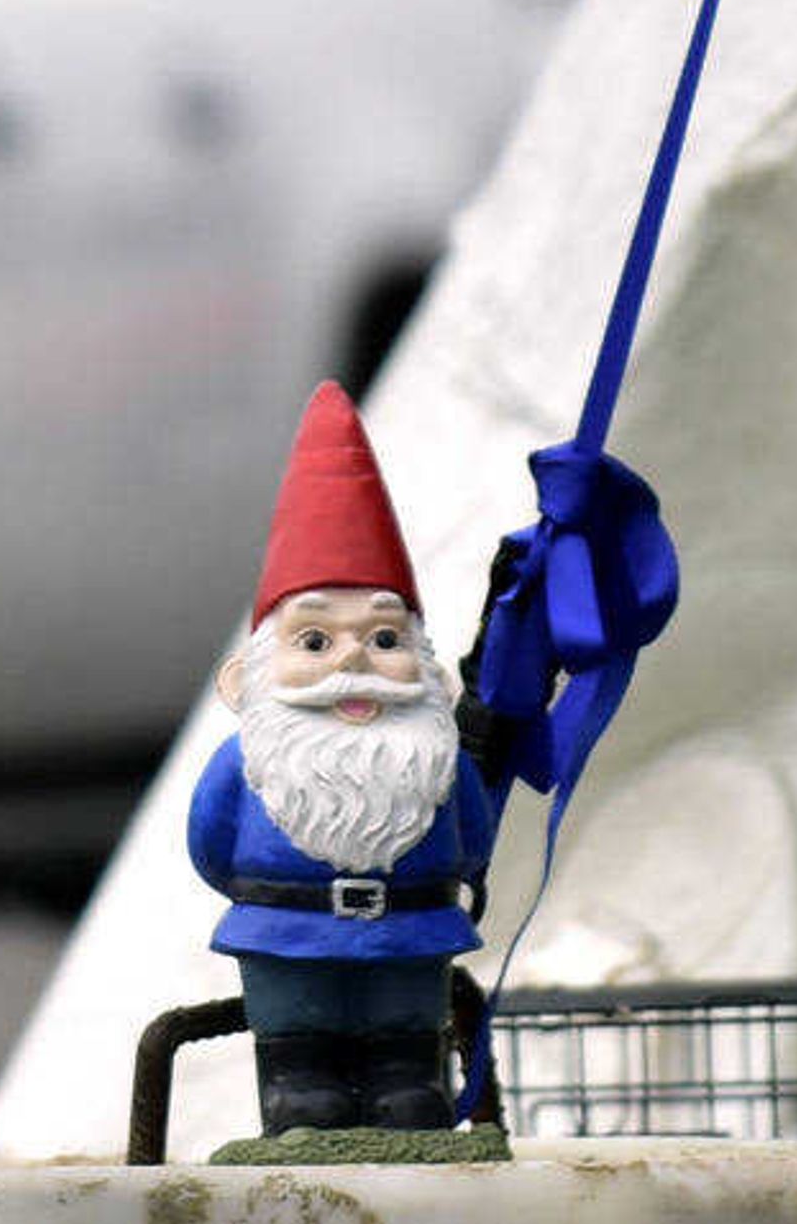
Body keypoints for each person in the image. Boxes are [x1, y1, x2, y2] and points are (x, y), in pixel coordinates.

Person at [187, 383, 497, 1138]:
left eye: (386, 641)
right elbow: (210, 845)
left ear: (431, 672)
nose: (353, 660)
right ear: (249, 677)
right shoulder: (246, 761)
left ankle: (411, 1081)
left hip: (413, 939)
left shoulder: (441, 764)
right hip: (286, 941)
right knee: (303, 1060)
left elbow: (475, 839)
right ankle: (298, 1085)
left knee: (406, 1060)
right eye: (316, 642)